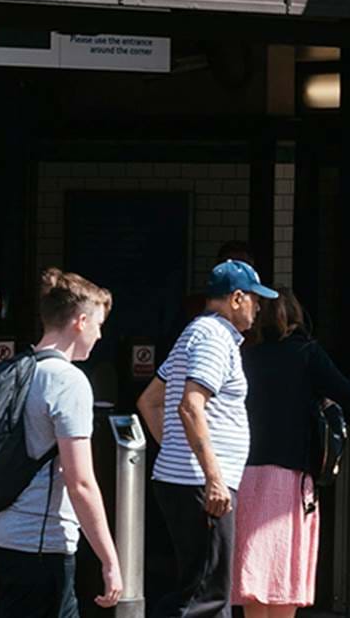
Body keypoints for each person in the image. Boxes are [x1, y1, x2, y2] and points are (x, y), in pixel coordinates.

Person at [0, 269, 124, 618]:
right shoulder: (68, 381)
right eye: (98, 324)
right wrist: (109, 559)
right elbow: (81, 482)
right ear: (80, 321)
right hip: (42, 541)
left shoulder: (14, 369)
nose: (100, 335)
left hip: (0, 533)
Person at [137, 259, 273, 618]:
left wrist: (178, 453)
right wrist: (212, 477)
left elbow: (149, 400)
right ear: (238, 298)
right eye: (256, 300)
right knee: (207, 600)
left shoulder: (196, 332)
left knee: (199, 589)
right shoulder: (214, 338)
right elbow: (191, 405)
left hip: (187, 480)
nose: (259, 308)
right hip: (203, 485)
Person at [233, 290, 350, 618]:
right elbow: (347, 392)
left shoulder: (244, 355)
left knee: (253, 571)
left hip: (244, 474)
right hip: (289, 476)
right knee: (283, 571)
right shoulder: (306, 353)